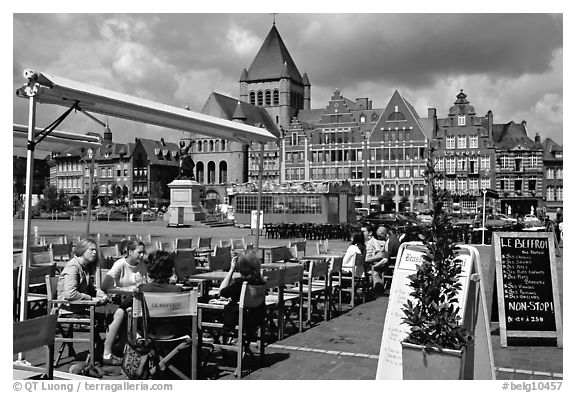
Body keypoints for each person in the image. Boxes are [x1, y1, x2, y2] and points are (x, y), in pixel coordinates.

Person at [56, 239, 113, 363]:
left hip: (80, 307)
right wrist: (91, 299)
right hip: (68, 309)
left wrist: (100, 293)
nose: (95, 253)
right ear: (82, 250)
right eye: (91, 250)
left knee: (111, 312)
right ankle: (102, 352)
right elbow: (70, 294)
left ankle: (102, 349)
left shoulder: (84, 267)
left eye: (95, 250)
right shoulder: (73, 268)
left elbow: (91, 287)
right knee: (106, 317)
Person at [100, 240, 148, 364]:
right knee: (122, 312)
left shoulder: (142, 265)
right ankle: (108, 352)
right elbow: (105, 286)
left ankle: (133, 343)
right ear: (130, 252)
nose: (142, 255)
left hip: (135, 299)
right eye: (139, 252)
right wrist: (125, 290)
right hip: (118, 299)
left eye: (143, 253)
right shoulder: (120, 264)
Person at [218, 252, 266, 340]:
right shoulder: (260, 282)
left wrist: (231, 270)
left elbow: (222, 292)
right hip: (255, 317)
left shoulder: (241, 283)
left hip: (240, 318)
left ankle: (215, 336)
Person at [371, 226, 401, 293]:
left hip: (393, 264)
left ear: (384, 233)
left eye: (379, 236)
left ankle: (378, 289)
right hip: (395, 261)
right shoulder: (393, 238)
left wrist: (374, 267)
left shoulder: (389, 242)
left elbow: (385, 260)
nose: (378, 238)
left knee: (374, 270)